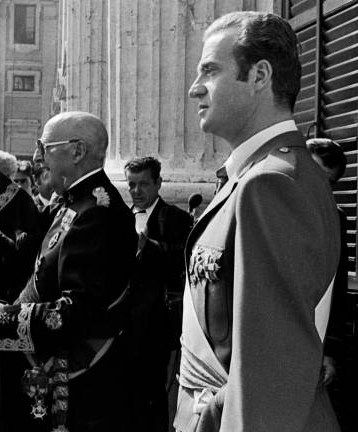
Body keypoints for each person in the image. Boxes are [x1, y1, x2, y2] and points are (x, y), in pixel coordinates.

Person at [176, 11, 341, 431]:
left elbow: (271, 374)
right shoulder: (255, 175)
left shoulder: (270, 184)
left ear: (260, 76)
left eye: (210, 70)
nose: (195, 88)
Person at [0, 111, 137, 432]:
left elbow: (77, 313)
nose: (37, 158)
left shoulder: (99, 214)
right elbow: (30, 219)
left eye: (44, 147)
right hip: (51, 364)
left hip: (75, 381)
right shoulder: (78, 199)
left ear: (77, 151)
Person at [124, 156, 192, 432]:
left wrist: (146, 246)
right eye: (131, 185)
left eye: (143, 184)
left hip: (156, 323)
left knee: (153, 392)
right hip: (122, 321)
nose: (136, 191)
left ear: (158, 183)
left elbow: (181, 260)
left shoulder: (176, 218)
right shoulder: (118, 216)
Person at [307, 137, 352, 428]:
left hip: (311, 344)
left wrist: (331, 352)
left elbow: (338, 289)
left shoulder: (335, 219)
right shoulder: (262, 205)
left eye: (329, 183)